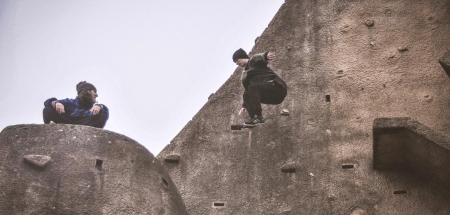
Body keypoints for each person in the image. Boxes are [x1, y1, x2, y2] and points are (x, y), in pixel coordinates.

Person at [233, 48, 287, 126]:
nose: (236, 63)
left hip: (277, 87)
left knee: (252, 87)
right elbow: (247, 91)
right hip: (274, 97)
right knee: (247, 94)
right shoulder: (245, 75)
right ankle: (254, 119)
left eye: (237, 60)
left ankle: (259, 116)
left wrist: (266, 55)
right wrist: (245, 105)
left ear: (243, 57)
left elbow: (259, 57)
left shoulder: (253, 60)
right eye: (235, 62)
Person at [43, 81, 109, 128]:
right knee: (47, 109)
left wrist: (100, 106)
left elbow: (105, 110)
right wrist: (56, 103)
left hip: (84, 125)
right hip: (66, 123)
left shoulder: (93, 107)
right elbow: (48, 102)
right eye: (94, 92)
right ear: (87, 91)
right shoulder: (70, 102)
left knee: (103, 114)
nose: (96, 95)